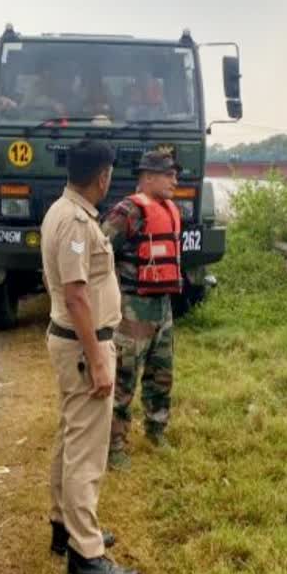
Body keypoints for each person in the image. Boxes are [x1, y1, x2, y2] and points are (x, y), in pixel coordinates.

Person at [40, 138, 139, 574]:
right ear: (102, 176)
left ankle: (65, 525)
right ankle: (86, 555)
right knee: (86, 452)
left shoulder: (62, 211)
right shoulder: (77, 222)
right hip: (84, 345)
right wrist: (98, 360)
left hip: (72, 342)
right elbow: (78, 296)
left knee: (71, 435)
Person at [101, 151, 183, 470]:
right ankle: (115, 444)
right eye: (168, 175)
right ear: (148, 177)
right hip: (133, 307)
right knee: (124, 376)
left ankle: (156, 429)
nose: (175, 180)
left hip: (162, 306)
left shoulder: (169, 209)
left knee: (161, 373)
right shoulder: (128, 211)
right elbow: (100, 249)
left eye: (175, 174)